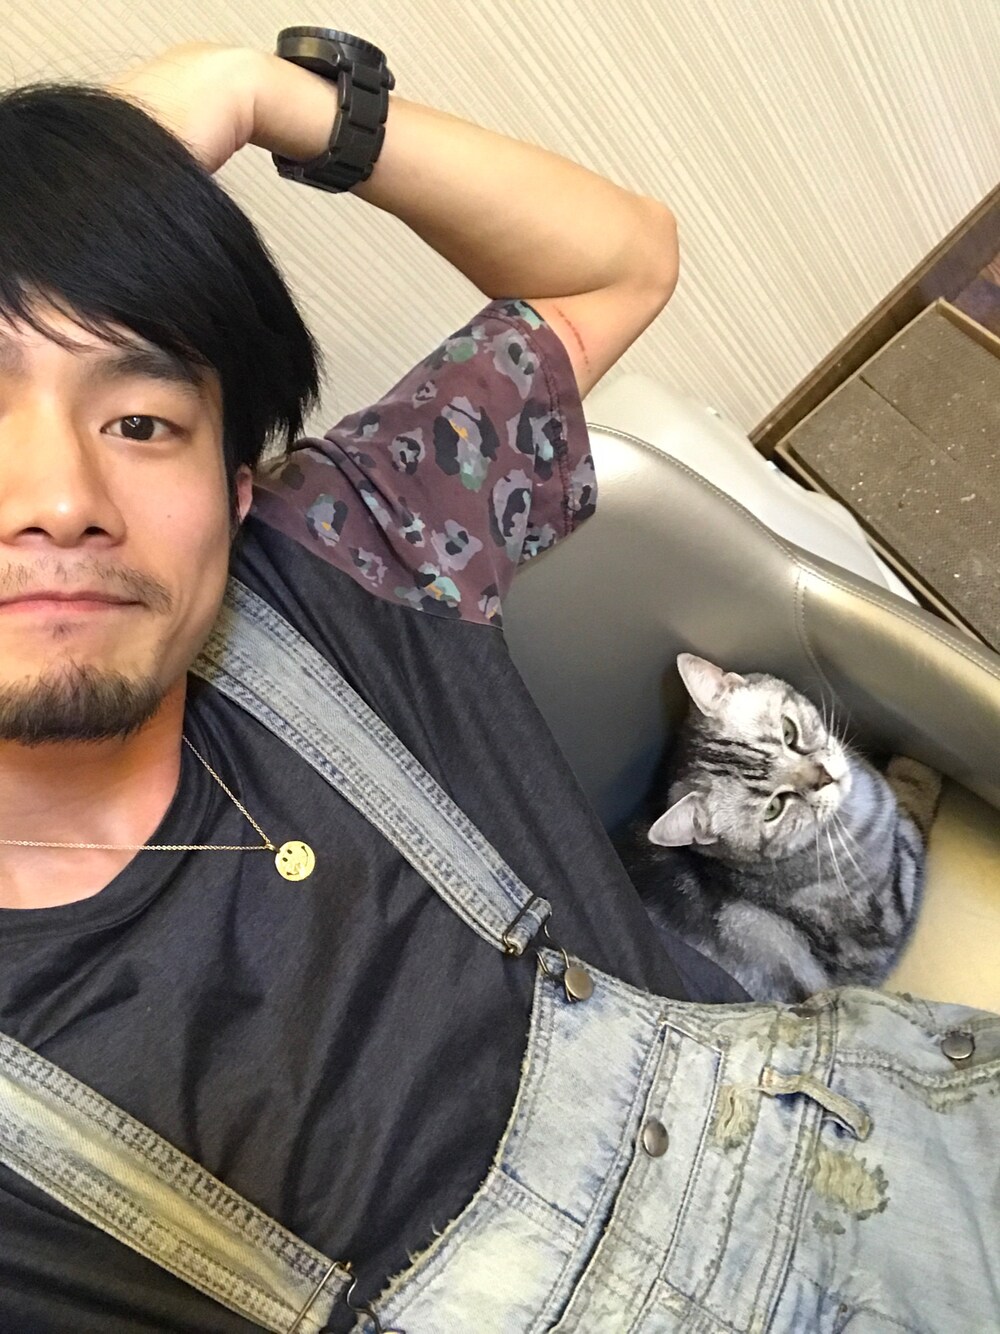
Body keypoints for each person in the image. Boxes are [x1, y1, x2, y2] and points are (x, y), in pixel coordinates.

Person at [0, 39, 996, 1334]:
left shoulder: (341, 555)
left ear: (236, 490)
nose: (62, 498)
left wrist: (255, 94)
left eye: (141, 422)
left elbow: (619, 260)